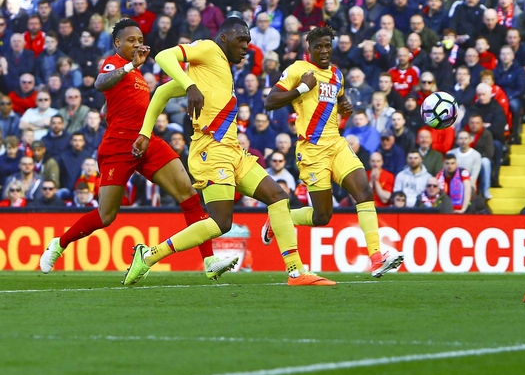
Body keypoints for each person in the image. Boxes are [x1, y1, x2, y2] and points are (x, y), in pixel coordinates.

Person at [124, 17, 334, 286]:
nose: (246, 46)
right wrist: (189, 87)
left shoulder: (216, 69)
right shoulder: (209, 50)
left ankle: (296, 272)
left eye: (248, 41)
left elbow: (163, 91)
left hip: (234, 151)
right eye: (241, 40)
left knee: (278, 197)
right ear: (224, 38)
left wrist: (146, 131)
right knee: (221, 223)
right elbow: (165, 56)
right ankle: (150, 255)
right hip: (210, 150)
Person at [39, 19, 237, 281]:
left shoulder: (137, 74)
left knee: (188, 193)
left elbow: (116, 103)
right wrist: (131, 66)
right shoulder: (116, 63)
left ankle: (209, 260)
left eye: (140, 39)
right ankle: (59, 244)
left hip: (147, 140)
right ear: (117, 43)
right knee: (106, 215)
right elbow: (100, 83)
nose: (137, 44)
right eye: (130, 40)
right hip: (119, 145)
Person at [265, 25, 403, 278]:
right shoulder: (297, 70)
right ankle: (281, 218)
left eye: (328, 45)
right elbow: (270, 101)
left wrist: (343, 104)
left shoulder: (337, 74)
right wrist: (302, 89)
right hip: (311, 150)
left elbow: (336, 98)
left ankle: (376, 257)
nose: (324, 50)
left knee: (363, 190)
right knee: (322, 216)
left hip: (336, 144)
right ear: (309, 49)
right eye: (318, 46)